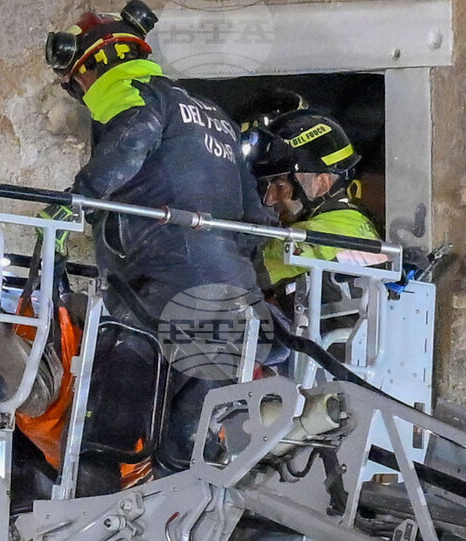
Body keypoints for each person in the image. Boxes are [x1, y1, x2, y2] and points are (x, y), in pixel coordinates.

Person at [46, 1, 273, 482]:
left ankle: (81, 522)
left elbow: (132, 139)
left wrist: (75, 201)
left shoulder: (129, 93)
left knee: (105, 425)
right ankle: (176, 538)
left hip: (162, 288)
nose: (84, 98)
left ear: (89, 69)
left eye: (78, 87)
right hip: (232, 298)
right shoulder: (215, 116)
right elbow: (256, 216)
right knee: (188, 443)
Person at [251, 111, 383, 298]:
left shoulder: (309, 234)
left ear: (321, 183)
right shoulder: (358, 223)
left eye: (280, 186)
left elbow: (241, 275)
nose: (269, 199)